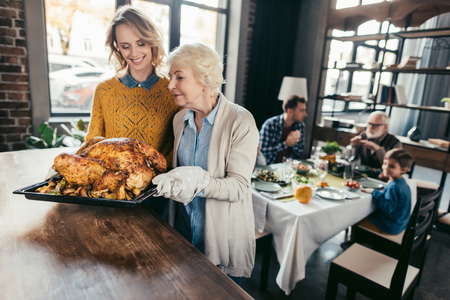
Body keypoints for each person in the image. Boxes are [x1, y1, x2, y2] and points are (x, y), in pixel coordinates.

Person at [151, 43, 259, 285]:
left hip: (221, 243)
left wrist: (199, 182)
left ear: (205, 80)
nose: (170, 85)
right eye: (171, 77)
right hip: (183, 236)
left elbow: (239, 187)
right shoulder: (179, 119)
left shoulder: (240, 120)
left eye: (179, 77)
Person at [84, 5, 181, 218]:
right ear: (117, 48)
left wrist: (152, 177)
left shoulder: (172, 92)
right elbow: (93, 141)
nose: (134, 53)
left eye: (141, 43)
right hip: (109, 196)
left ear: (152, 41)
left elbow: (178, 146)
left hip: (153, 198)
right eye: (126, 46)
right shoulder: (105, 90)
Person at [359, 148, 414, 235]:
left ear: (403, 170)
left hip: (390, 226)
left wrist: (374, 192)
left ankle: (357, 242)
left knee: (358, 220)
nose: (386, 167)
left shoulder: (393, 186)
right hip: (400, 224)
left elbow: (387, 207)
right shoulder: (402, 182)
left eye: (391, 166)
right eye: (385, 164)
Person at [259, 95, 307, 165]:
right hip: (269, 167)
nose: (305, 114)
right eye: (302, 111)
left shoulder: (300, 126)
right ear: (290, 111)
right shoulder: (270, 124)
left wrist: (293, 142)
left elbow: (299, 151)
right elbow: (262, 151)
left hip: (289, 168)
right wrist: (285, 144)